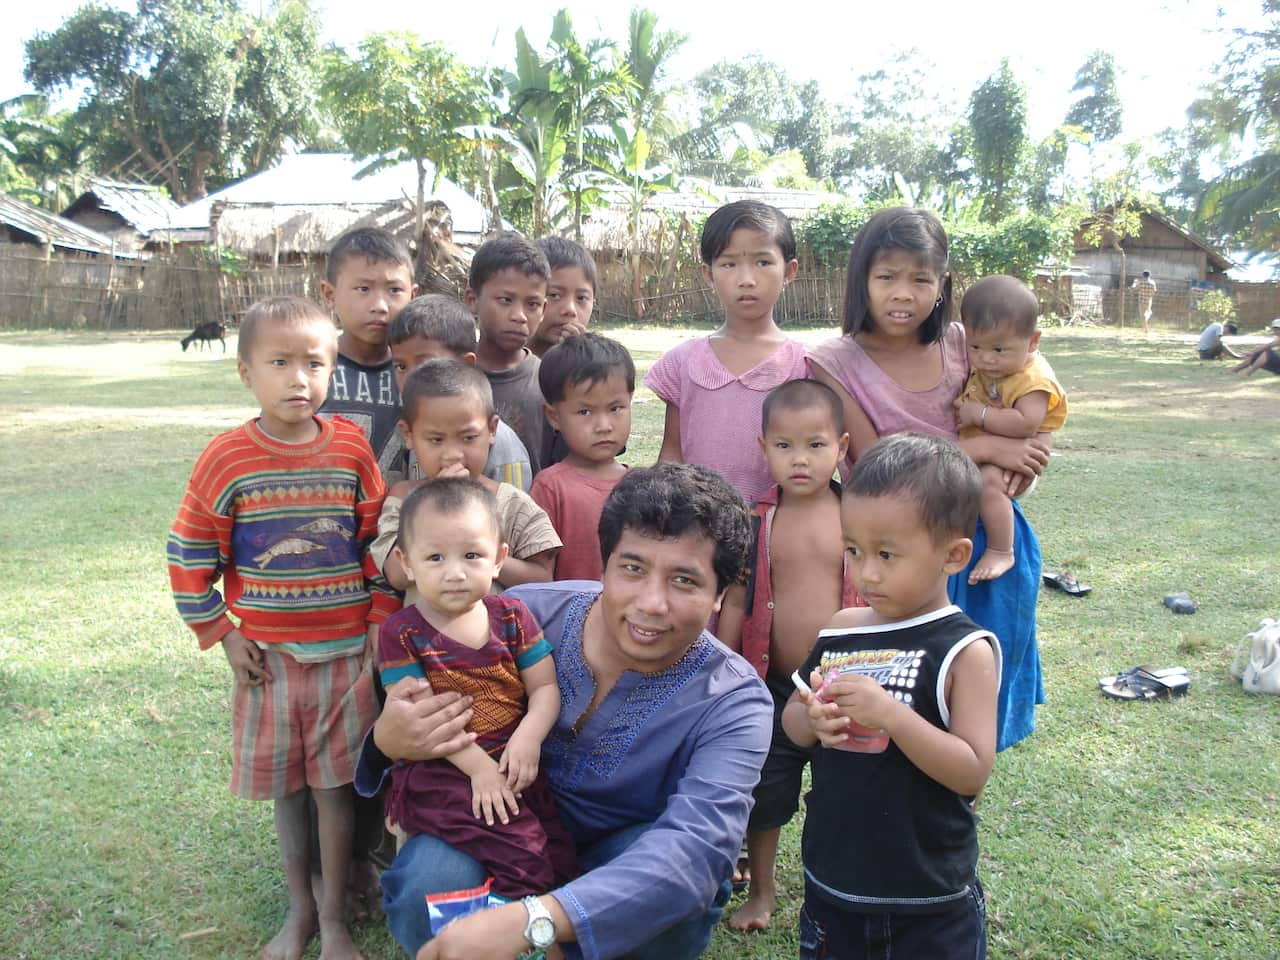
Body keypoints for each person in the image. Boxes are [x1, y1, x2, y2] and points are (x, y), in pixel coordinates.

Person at [358, 463, 772, 959]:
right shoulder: (522, 616)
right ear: (605, 565)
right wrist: (388, 739)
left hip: (621, 860)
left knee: (674, 896)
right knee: (433, 880)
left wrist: (536, 918)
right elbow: (409, 720)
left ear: (720, 596)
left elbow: (699, 849)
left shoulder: (734, 702)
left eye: (684, 580)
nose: (652, 602)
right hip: (495, 825)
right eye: (633, 568)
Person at [167, 296, 396, 960]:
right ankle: (297, 911)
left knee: (332, 792)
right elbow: (188, 553)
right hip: (266, 663)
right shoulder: (227, 458)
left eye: (314, 363)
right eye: (280, 363)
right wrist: (222, 632)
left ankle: (333, 923)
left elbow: (376, 542)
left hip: (344, 660)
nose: (299, 379)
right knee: (287, 792)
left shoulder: (351, 448)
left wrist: (379, 617)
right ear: (246, 372)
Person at [807, 207, 1049, 752]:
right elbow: (878, 465)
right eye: (886, 276)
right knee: (908, 684)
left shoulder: (970, 343)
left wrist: (1029, 450)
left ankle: (964, 791)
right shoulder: (833, 362)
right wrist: (987, 446)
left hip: (987, 539)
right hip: (899, 549)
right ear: (861, 279)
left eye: (921, 278)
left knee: (985, 676)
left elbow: (1037, 410)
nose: (903, 293)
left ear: (942, 284)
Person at [782, 433, 998, 960]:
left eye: (887, 554)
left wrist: (892, 717)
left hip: (928, 898)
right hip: (834, 881)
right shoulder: (841, 630)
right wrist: (813, 719)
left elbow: (971, 770)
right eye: (853, 550)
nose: (866, 573)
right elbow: (791, 718)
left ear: (954, 555)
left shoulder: (964, 651)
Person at [378, 478, 576, 897]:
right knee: (524, 854)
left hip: (515, 761)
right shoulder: (402, 633)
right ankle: (504, 933)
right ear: (406, 562)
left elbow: (544, 688)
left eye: (472, 555)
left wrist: (528, 737)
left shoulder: (512, 616)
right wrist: (481, 771)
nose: (455, 573)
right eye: (434, 557)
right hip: (444, 770)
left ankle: (524, 921)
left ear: (499, 558)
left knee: (559, 854)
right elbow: (426, 720)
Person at [715, 378, 863, 933]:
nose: (800, 460)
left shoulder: (858, 515)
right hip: (772, 683)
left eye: (815, 445)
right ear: (763, 448)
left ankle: (838, 887)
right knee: (766, 789)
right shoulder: (757, 519)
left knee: (844, 789)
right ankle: (763, 890)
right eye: (785, 446)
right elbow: (736, 597)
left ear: (841, 447)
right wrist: (723, 665)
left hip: (847, 683)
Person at [644, 200, 808, 506]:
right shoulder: (684, 361)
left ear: (789, 270)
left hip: (776, 528)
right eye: (729, 264)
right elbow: (672, 454)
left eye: (763, 262)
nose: (746, 279)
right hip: (698, 526)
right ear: (708, 273)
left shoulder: (805, 366)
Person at [373, 359, 561, 601]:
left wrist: (480, 556)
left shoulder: (512, 504)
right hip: (422, 638)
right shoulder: (404, 499)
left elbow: (544, 578)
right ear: (408, 435)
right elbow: (397, 574)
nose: (453, 454)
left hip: (494, 637)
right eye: (436, 440)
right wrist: (436, 503)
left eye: (469, 437)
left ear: (492, 429)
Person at [953, 275, 1068, 584]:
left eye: (999, 350)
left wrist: (978, 414)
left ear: (1032, 341)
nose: (987, 359)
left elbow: (1025, 424)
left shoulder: (1033, 379)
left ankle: (1002, 549)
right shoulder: (998, 364)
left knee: (988, 483)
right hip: (992, 454)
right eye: (975, 347)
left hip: (1016, 462)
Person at [387, 294, 533, 491]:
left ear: (467, 364)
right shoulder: (416, 426)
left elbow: (513, 513)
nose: (411, 377)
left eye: (426, 364)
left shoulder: (502, 446)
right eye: (401, 366)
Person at [530, 333, 634, 581]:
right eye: (585, 411)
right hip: (567, 617)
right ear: (554, 417)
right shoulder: (551, 487)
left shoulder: (640, 484)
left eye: (615, 408)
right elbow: (541, 574)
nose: (604, 425)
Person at [319, 227, 418, 480]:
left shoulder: (419, 372)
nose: (380, 306)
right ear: (330, 294)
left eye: (394, 290)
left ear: (413, 295)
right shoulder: (311, 369)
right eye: (363, 289)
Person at [467, 234, 551, 474]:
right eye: (505, 300)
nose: (520, 315)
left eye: (532, 304)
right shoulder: (451, 375)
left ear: (544, 309)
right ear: (472, 300)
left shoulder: (548, 382)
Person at [530, 236, 597, 358]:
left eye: (581, 298)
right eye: (554, 295)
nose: (570, 310)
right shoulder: (500, 362)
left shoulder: (596, 366)